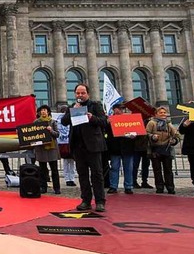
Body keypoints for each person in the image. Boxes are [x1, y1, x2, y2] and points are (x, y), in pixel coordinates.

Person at [61, 84, 108, 212]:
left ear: (88, 94)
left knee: (97, 174)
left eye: (82, 93)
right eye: (77, 93)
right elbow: (64, 121)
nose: (80, 95)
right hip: (78, 146)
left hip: (93, 145)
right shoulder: (72, 106)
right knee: (82, 175)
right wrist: (72, 111)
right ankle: (85, 200)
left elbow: (104, 122)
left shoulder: (95, 105)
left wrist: (91, 117)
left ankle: (100, 201)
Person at [147, 105, 179, 194]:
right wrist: (152, 137)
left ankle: (170, 187)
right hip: (155, 149)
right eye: (161, 113)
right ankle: (159, 187)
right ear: (156, 114)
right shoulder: (152, 123)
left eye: (164, 113)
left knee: (168, 170)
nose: (163, 114)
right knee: (157, 170)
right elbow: (147, 134)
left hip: (166, 148)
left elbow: (177, 135)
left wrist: (174, 140)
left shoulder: (169, 124)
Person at [106, 103, 136, 195]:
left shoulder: (128, 119)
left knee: (128, 168)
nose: (121, 111)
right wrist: (107, 123)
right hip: (115, 148)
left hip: (127, 147)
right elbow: (106, 134)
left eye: (122, 109)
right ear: (114, 110)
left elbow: (136, 131)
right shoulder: (110, 120)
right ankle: (113, 186)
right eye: (119, 109)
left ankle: (128, 186)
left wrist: (134, 135)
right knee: (114, 168)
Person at [33, 105, 61, 194]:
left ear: (48, 112)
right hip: (41, 149)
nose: (43, 112)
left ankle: (57, 188)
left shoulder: (52, 122)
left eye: (45, 110)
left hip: (52, 149)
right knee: (42, 169)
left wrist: (51, 130)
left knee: (54, 170)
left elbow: (57, 134)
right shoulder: (36, 122)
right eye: (42, 110)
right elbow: (32, 134)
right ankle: (43, 187)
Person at [57, 105, 76, 186]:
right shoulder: (58, 120)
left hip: (71, 142)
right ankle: (68, 179)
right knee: (66, 162)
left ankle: (71, 178)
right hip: (63, 143)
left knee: (71, 162)